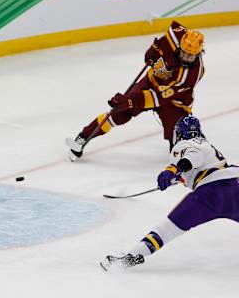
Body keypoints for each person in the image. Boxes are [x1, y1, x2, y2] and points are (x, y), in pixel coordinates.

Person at [100, 115, 239, 271]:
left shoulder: (184, 144)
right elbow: (201, 165)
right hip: (235, 185)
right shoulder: (207, 145)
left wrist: (172, 170)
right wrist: (178, 177)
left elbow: (191, 157)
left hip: (210, 194)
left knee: (169, 229)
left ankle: (130, 257)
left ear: (179, 133)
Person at [66, 21, 205, 161]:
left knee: (178, 134)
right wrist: (155, 49)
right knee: (119, 113)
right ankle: (83, 137)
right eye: (184, 53)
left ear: (199, 54)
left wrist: (129, 100)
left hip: (174, 101)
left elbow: (157, 97)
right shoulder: (177, 35)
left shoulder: (190, 75)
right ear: (180, 46)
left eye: (191, 56)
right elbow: (168, 34)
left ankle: (190, 141)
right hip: (151, 82)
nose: (186, 58)